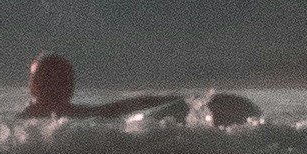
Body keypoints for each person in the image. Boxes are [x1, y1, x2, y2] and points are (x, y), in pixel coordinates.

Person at [22, 51, 260, 127]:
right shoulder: (21, 126)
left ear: (71, 86)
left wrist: (189, 100)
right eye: (48, 80)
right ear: (34, 85)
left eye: (63, 80)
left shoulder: (79, 114)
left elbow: (119, 107)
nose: (57, 87)